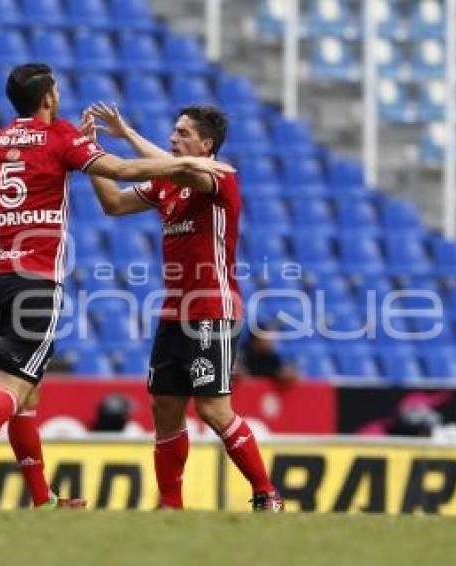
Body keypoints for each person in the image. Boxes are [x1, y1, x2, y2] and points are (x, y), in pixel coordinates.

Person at [0, 63, 234, 509]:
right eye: (57, 90)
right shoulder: (60, 135)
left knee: (28, 392)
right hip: (34, 278)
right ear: (49, 98)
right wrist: (186, 161)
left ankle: (41, 500)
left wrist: (84, 145)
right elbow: (122, 171)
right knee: (12, 390)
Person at [84, 102, 284, 512]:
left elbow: (180, 169)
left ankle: (267, 495)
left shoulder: (219, 176)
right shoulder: (167, 182)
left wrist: (127, 136)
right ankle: (170, 508)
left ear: (206, 144)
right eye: (173, 132)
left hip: (212, 307)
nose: (173, 138)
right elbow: (114, 204)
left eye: (182, 134)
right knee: (165, 408)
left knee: (212, 409)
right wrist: (89, 155)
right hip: (174, 311)